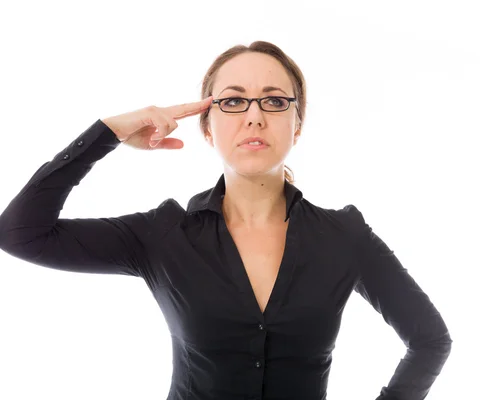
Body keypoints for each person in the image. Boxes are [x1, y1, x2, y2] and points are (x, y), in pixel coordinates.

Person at [0, 41, 452, 400]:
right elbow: (20, 233)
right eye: (233, 102)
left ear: (296, 125)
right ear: (206, 125)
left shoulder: (345, 236)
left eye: (274, 101)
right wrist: (110, 132)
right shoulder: (163, 235)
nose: (254, 116)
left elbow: (430, 340)